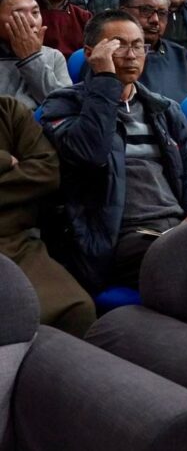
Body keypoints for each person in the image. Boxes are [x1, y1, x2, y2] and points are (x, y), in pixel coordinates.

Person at [40, 10, 187, 290]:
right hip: (120, 236)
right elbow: (91, 153)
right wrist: (105, 81)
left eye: (138, 45)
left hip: (181, 226)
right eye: (118, 45)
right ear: (91, 53)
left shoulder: (163, 108)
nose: (132, 55)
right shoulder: (63, 104)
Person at [0, 95, 95, 336]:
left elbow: (47, 172)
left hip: (16, 243)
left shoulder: (9, 109)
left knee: (78, 309)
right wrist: (4, 160)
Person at [119, 0, 187, 103]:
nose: (155, 20)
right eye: (146, 10)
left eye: (162, 13)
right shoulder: (110, 55)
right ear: (124, 12)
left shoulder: (179, 54)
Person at [0, 0, 70, 109]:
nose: (32, 22)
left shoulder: (54, 56)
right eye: (19, 13)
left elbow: (64, 105)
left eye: (35, 12)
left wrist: (31, 59)